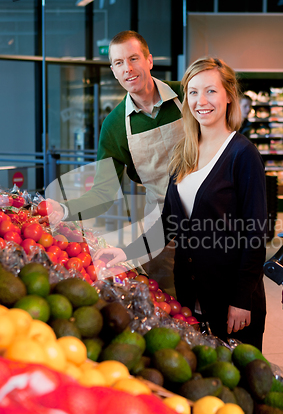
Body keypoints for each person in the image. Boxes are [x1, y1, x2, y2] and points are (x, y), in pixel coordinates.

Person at [93, 57, 268, 350]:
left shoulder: (242, 154)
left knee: (237, 386)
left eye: (211, 91)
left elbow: (255, 235)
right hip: (190, 297)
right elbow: (167, 224)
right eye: (194, 92)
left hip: (231, 300)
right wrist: (124, 252)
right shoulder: (184, 153)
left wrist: (241, 299)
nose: (202, 101)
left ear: (228, 96)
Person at [45, 30, 185, 294]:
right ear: (113, 69)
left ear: (149, 60)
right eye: (119, 63)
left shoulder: (187, 95)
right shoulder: (114, 126)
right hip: (163, 233)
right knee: (176, 308)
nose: (128, 69)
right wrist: (62, 210)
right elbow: (104, 192)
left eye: (133, 59)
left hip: (214, 219)